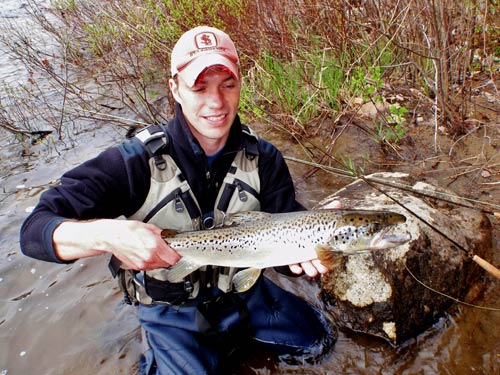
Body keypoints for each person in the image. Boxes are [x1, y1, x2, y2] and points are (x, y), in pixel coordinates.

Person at [20, 26, 335, 374]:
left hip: (246, 296)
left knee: (320, 343)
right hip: (173, 313)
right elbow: (34, 230)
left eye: (227, 85)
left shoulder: (265, 158)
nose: (216, 103)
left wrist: (315, 238)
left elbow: (281, 240)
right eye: (199, 88)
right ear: (175, 89)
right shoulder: (133, 163)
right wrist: (107, 236)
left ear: (241, 84)